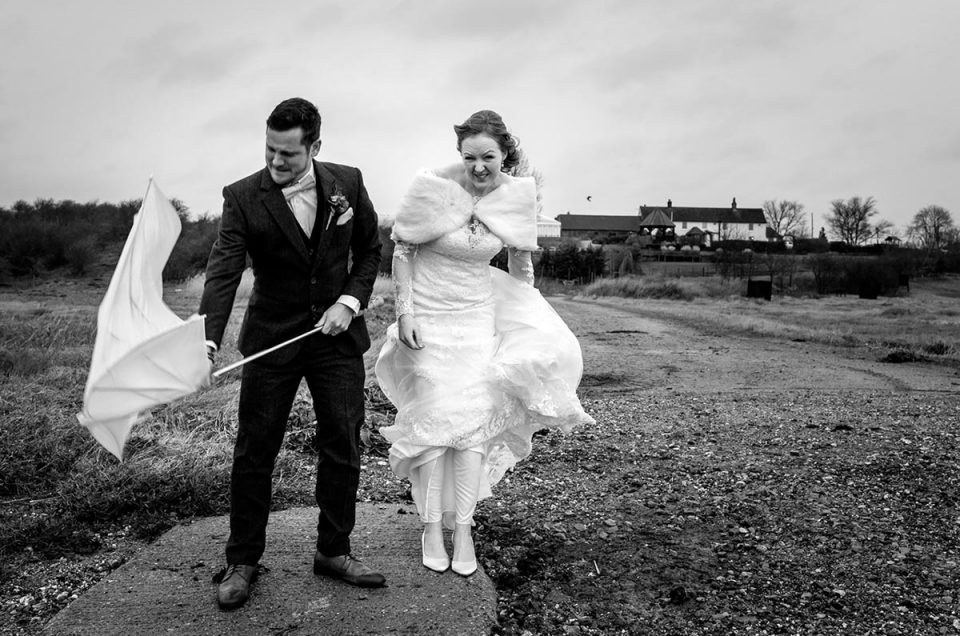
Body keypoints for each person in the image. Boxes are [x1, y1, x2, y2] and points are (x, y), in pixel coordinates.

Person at [375, 110, 594, 576]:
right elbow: (403, 252)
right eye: (470, 156)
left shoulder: (515, 198)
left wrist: (527, 318)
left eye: (488, 157)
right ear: (460, 155)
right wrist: (405, 314)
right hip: (430, 321)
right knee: (436, 423)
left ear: (504, 155)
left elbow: (520, 262)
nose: (478, 167)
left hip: (477, 320)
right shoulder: (431, 186)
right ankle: (432, 526)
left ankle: (466, 528)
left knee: (474, 424)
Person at [199, 97, 384, 610]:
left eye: (288, 155)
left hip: (336, 339)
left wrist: (350, 301)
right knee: (255, 450)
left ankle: (333, 551)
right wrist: (207, 342)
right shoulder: (241, 197)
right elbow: (223, 271)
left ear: (315, 146)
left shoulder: (348, 182)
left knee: (343, 443)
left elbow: (370, 249)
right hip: (271, 338)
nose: (275, 163)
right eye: (269, 150)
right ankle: (243, 560)